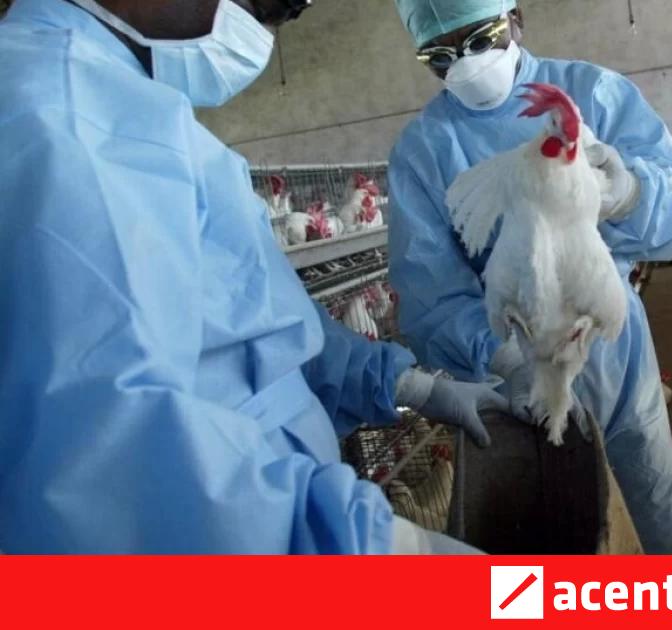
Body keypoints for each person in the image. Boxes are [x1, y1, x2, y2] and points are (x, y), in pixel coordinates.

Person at [0, 0, 504, 554]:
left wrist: (403, 385)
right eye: (264, 6)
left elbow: (256, 313)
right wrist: (380, 555)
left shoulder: (126, 103)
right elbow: (116, 474)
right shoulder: (61, 117)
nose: (265, 29)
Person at [389, 0, 672, 554]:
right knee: (558, 535)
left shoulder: (593, 92)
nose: (465, 64)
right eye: (440, 56)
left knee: (650, 503)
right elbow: (430, 295)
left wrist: (631, 194)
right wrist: (507, 359)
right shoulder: (424, 151)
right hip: (517, 375)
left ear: (516, 18)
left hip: (614, 352)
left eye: (480, 39)